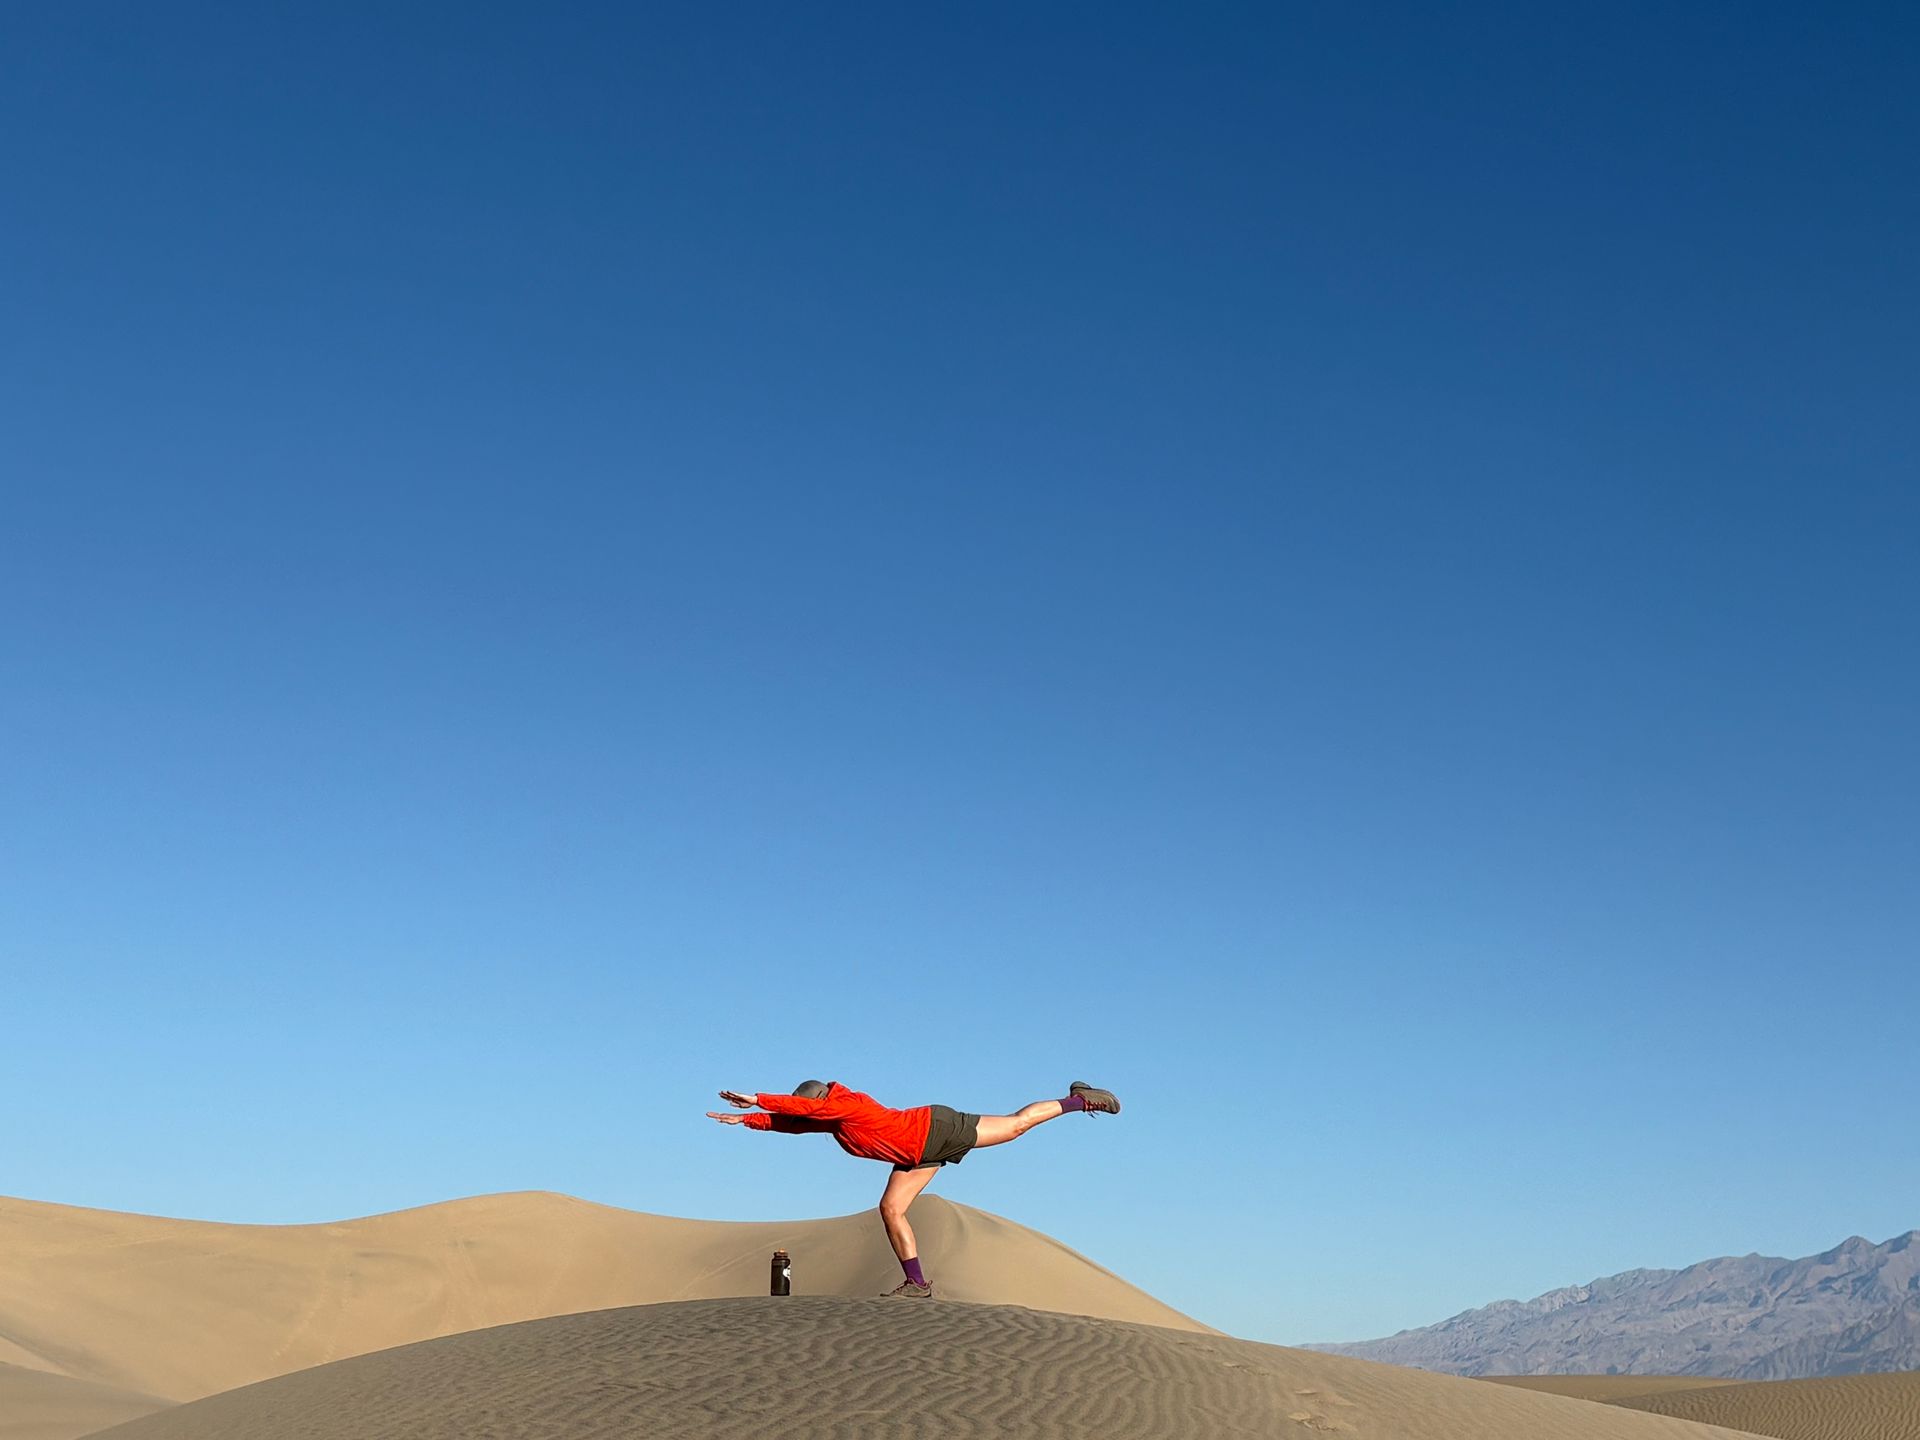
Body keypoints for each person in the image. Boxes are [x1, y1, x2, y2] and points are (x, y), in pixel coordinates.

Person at [708, 1079, 1121, 1297]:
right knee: (891, 1209)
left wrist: (759, 1098)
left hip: (934, 1128)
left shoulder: (847, 1103)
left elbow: (802, 1111)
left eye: (814, 1109)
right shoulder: (832, 1119)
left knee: (1015, 1126)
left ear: (820, 1099)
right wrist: (748, 1120)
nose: (814, 1117)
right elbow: (795, 1123)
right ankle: (917, 1284)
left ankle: (1080, 1100)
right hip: (914, 1153)